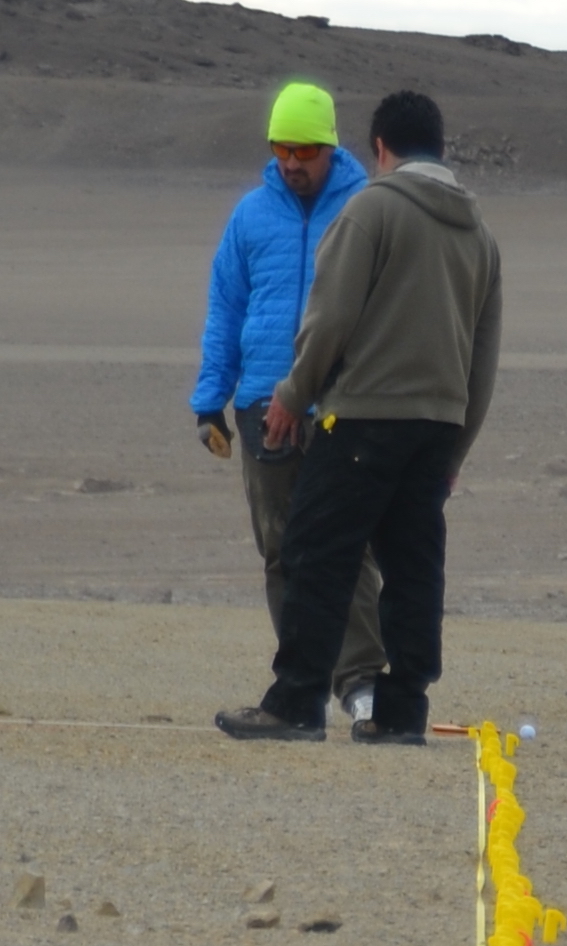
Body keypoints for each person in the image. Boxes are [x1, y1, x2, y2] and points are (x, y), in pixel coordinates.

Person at [214, 90, 503, 749]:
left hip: (363, 417)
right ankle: (402, 711)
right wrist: (457, 449)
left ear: (380, 149)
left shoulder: (373, 209)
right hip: (437, 428)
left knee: (316, 550)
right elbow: (483, 355)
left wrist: (292, 394)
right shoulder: (479, 236)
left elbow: (331, 316)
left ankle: (296, 702)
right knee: (412, 567)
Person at [190, 80, 386, 728]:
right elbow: (226, 307)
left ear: (330, 147)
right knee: (282, 553)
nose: (292, 163)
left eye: (305, 150)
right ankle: (300, 688)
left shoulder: (365, 209)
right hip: (259, 407)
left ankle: (362, 685)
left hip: (341, 405)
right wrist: (209, 400)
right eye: (282, 150)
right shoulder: (251, 216)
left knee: (347, 546)